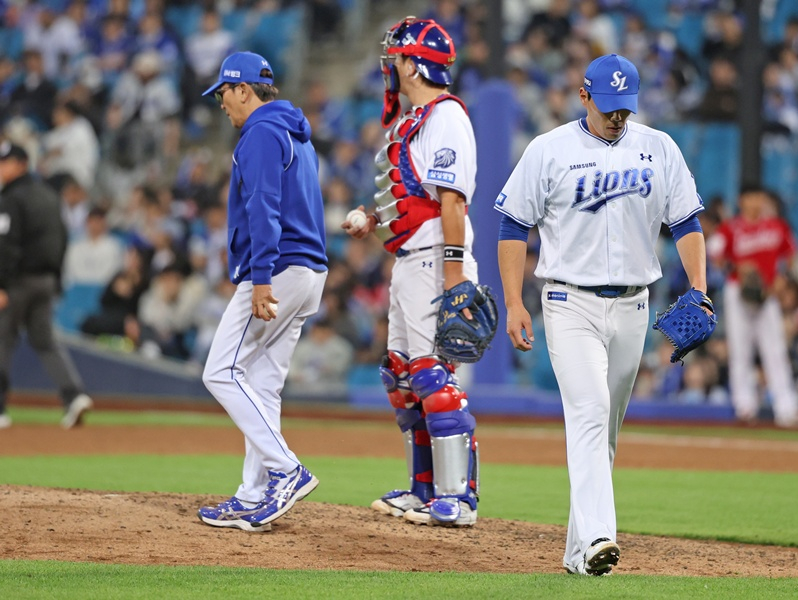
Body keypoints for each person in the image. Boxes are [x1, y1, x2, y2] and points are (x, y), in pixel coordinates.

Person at [495, 54, 710, 575]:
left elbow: (686, 224)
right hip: (570, 303)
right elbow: (511, 228)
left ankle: (576, 553)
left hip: (636, 304)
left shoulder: (659, 148)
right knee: (589, 411)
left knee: (605, 429)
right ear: (585, 96)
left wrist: (700, 288)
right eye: (609, 107)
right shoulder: (549, 150)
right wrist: (513, 301)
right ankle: (599, 537)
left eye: (626, 108)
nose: (618, 117)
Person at [342, 17, 481, 527]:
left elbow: (452, 202)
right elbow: (416, 196)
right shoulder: (411, 120)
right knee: (399, 375)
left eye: (397, 57)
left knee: (431, 375)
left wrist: (452, 276)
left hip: (434, 261)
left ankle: (457, 496)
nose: (391, 65)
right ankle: (424, 490)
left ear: (414, 64)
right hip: (407, 260)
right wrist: (374, 217)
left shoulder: (446, 116)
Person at [195, 52, 329, 532]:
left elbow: (263, 206)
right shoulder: (293, 131)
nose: (222, 103)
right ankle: (254, 495)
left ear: (245, 90)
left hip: (278, 270)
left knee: (221, 372)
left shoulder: (261, 132)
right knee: (264, 383)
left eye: (224, 93)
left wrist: (262, 277)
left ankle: (286, 469)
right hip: (309, 270)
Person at [0, 141, 93, 429]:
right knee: (45, 341)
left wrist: (1, 284)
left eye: (5, 162)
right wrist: (55, 280)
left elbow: (6, 244)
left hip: (17, 281)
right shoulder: (49, 195)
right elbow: (62, 239)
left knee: (2, 339)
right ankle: (74, 395)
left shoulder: (11, 198)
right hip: (46, 280)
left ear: (20, 164)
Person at [709, 186, 798, 428]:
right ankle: (744, 407)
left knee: (775, 351)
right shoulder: (731, 228)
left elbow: (792, 253)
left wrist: (783, 277)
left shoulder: (776, 226)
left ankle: (787, 408)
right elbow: (715, 254)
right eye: (752, 196)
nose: (757, 201)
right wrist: (735, 268)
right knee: (740, 350)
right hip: (738, 293)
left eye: (760, 197)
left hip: (768, 294)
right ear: (742, 199)